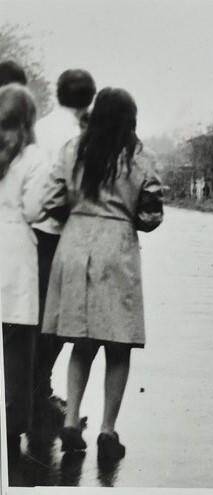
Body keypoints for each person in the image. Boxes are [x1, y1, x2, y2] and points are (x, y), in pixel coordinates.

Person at [39, 87, 164, 460]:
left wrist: (76, 215)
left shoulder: (72, 149)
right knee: (119, 343)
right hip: (118, 249)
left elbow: (50, 200)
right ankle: (108, 429)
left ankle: (72, 420)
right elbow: (151, 214)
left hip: (75, 245)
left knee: (82, 338)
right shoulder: (140, 157)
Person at [28, 68, 96, 426]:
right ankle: (40, 391)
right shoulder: (79, 135)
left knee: (37, 313)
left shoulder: (41, 125)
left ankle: (32, 389)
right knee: (56, 317)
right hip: (62, 230)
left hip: (34, 226)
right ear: (90, 97)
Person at [0, 84, 47, 459]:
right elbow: (34, 209)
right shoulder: (33, 157)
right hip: (16, 255)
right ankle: (14, 432)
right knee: (17, 350)